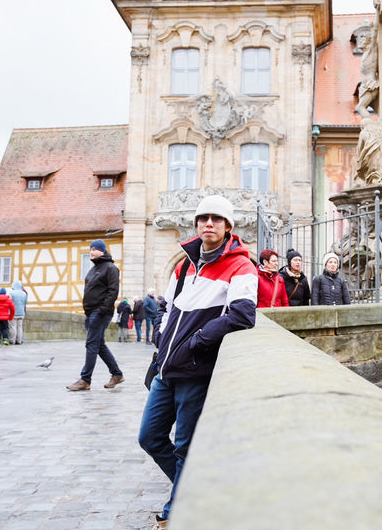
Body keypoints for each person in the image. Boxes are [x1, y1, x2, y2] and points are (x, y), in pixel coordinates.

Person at [139, 194, 257, 524]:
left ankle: (174, 513)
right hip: (165, 368)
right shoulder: (184, 264)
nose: (209, 223)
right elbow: (166, 307)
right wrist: (159, 336)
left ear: (228, 226)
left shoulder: (240, 265)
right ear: (196, 223)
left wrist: (197, 342)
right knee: (149, 438)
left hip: (195, 369)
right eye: (203, 217)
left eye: (216, 219)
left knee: (185, 448)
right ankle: (195, 488)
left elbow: (243, 315)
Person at [66, 239, 124, 391]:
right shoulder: (93, 269)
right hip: (90, 312)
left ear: (102, 251)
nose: (91, 251)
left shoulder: (110, 268)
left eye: (94, 249)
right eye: (90, 249)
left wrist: (103, 309)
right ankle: (117, 374)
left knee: (91, 344)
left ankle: (85, 379)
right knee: (99, 345)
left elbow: (113, 291)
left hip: (100, 313)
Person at [8, 280, 28, 344]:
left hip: (13, 313)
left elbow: (9, 303)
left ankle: (12, 340)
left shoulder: (11, 293)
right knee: (20, 327)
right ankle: (19, 340)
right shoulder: (24, 293)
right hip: (22, 313)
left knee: (13, 327)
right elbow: (25, 303)